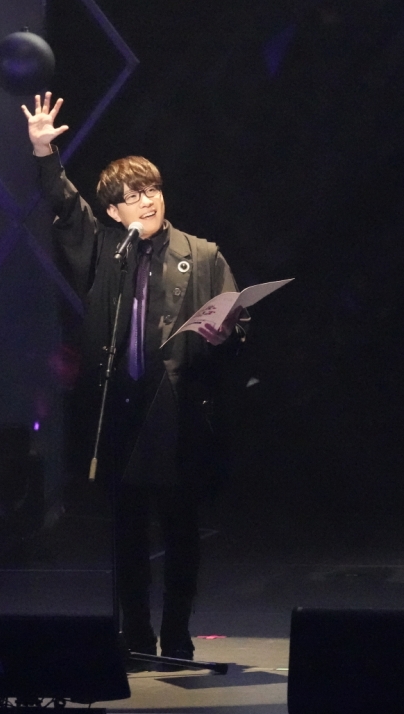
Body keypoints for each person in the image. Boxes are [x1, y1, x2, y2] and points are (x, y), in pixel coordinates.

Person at [24, 92, 245, 661]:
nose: (145, 201)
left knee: (179, 529)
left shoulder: (201, 254)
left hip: (177, 411)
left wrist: (225, 332)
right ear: (113, 212)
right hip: (120, 408)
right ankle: (136, 633)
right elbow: (67, 207)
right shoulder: (105, 251)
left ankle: (177, 632)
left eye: (151, 190)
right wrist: (45, 153)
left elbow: (235, 323)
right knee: (126, 531)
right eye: (131, 196)